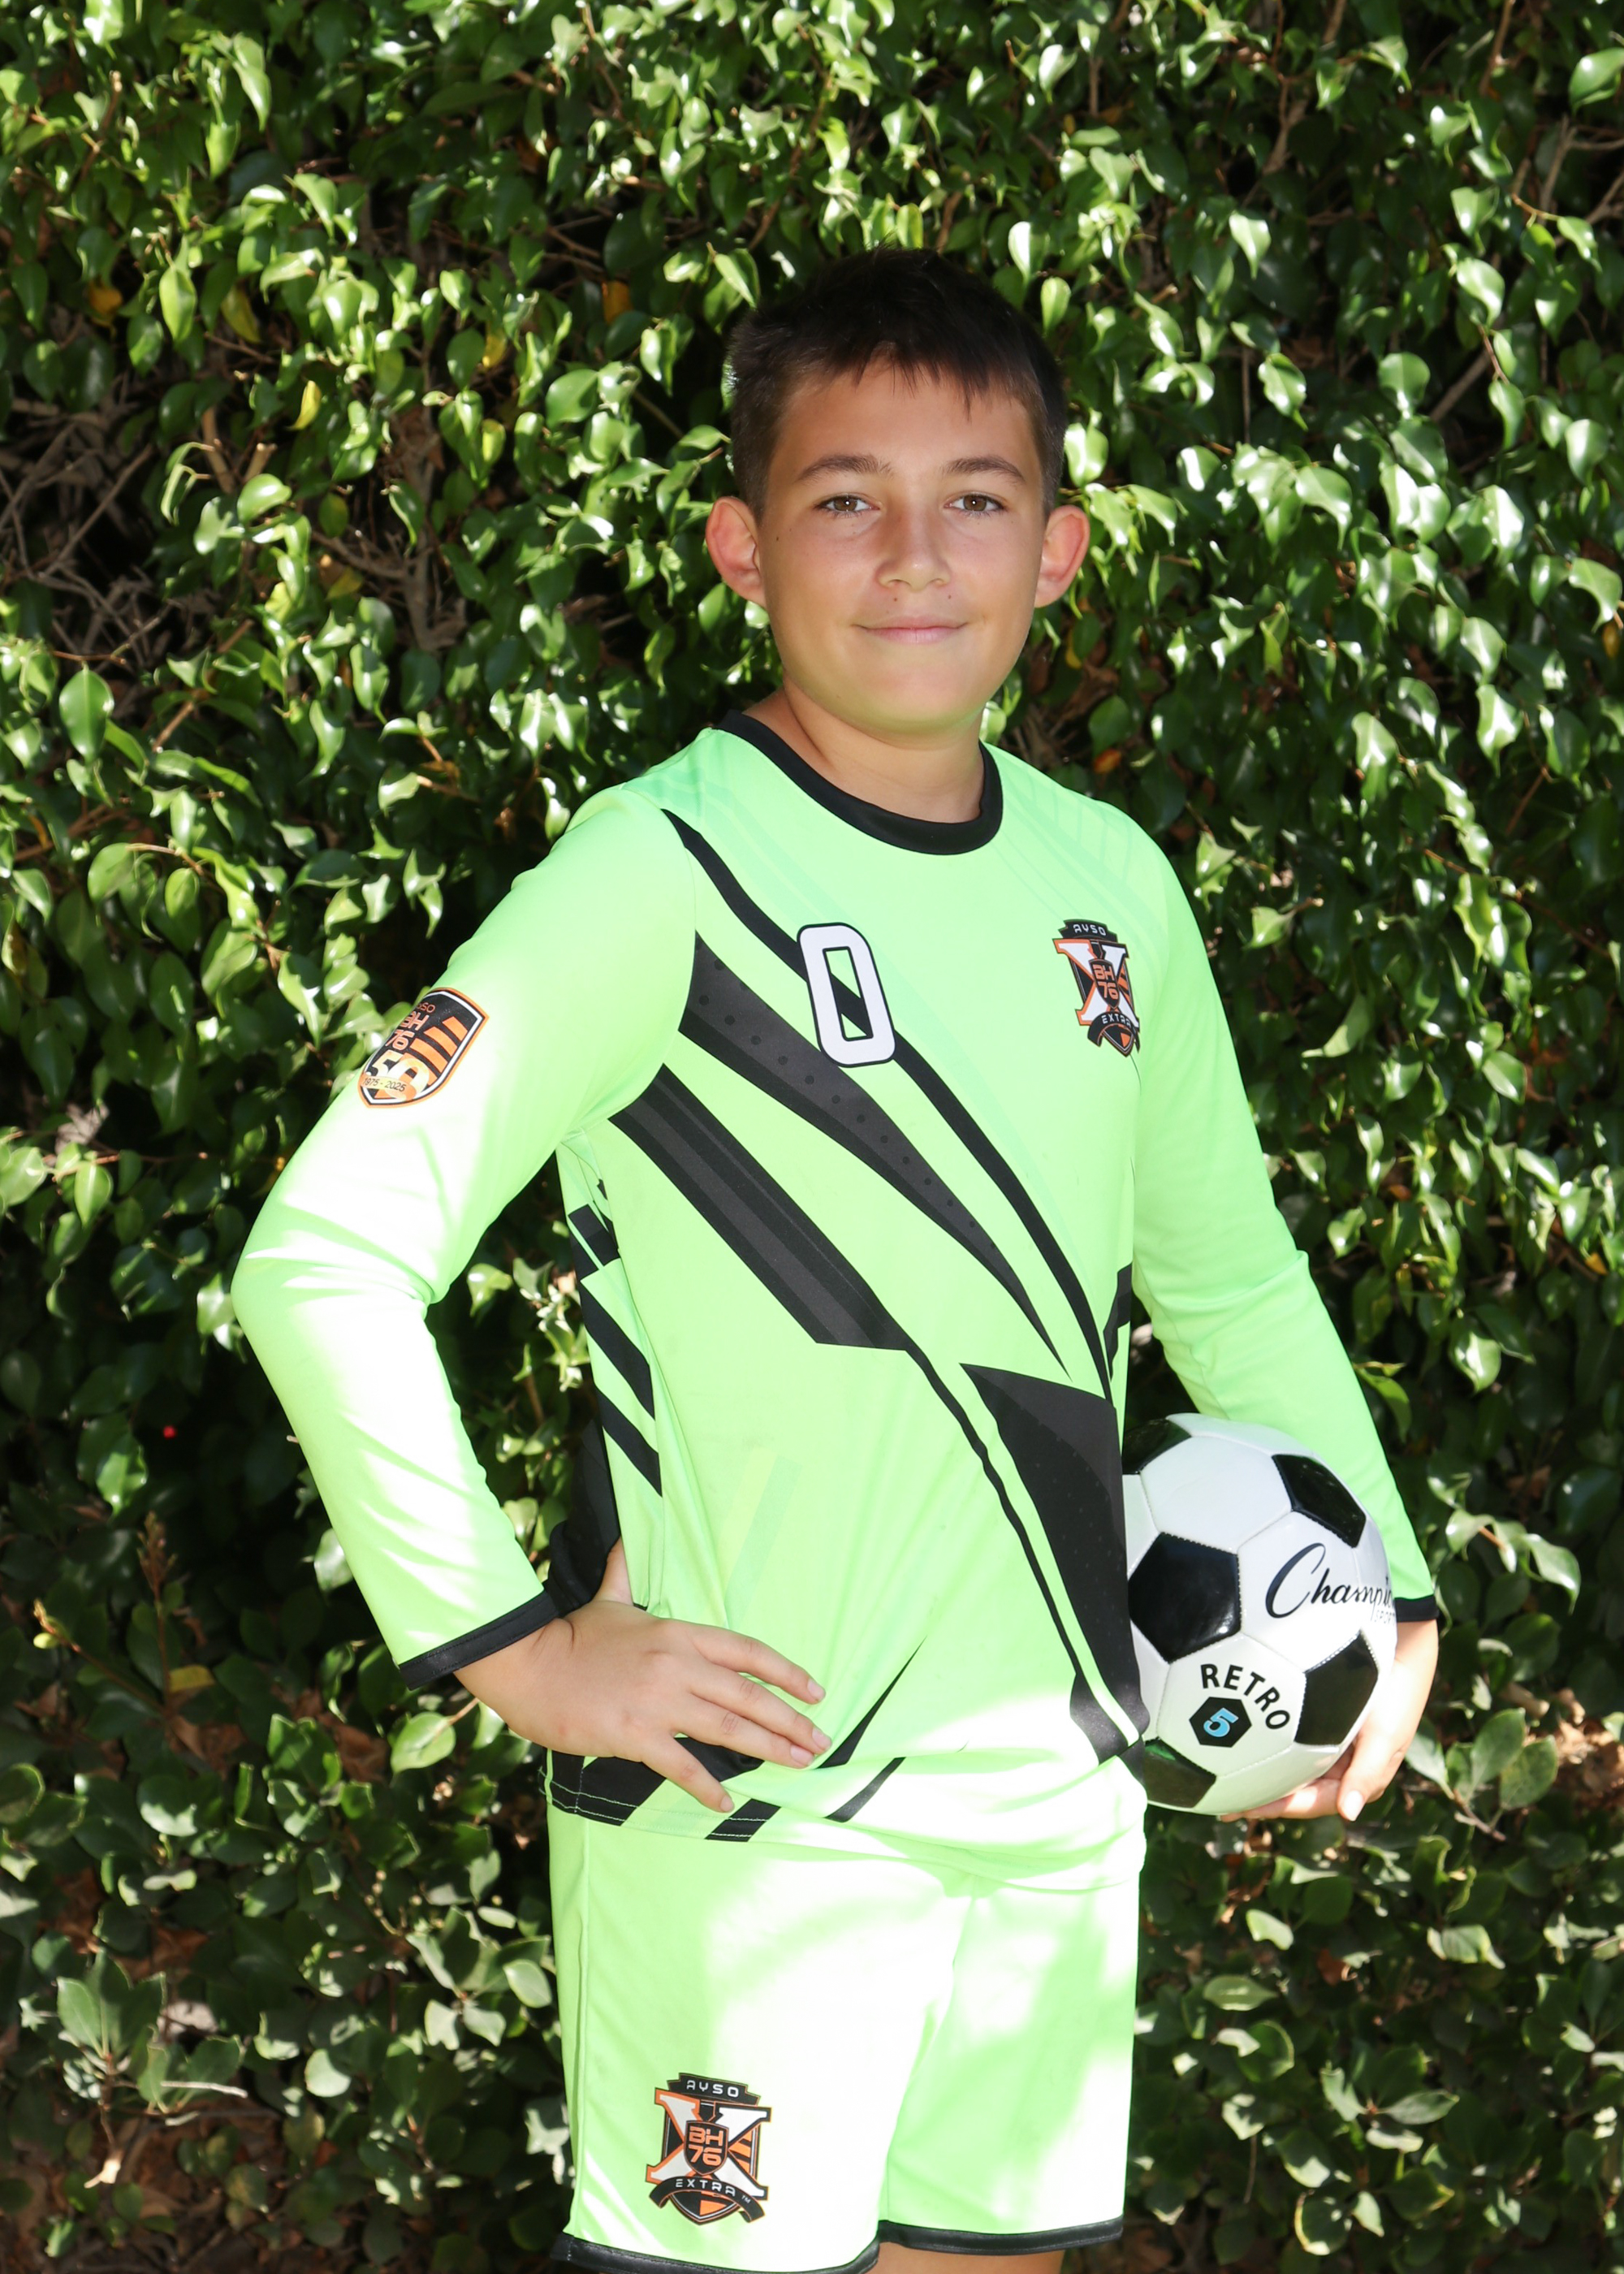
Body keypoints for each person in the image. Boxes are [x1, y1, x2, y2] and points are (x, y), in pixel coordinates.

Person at [233, 250, 1439, 2274]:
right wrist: (514, 1649)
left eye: (973, 498)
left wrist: (1384, 1586)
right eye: (844, 498)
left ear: (1055, 550)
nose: (912, 555)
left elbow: (1229, 1284)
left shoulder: (1112, 888)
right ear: (741, 547)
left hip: (1056, 1800)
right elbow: (324, 1254)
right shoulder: (660, 870)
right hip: (757, 1816)